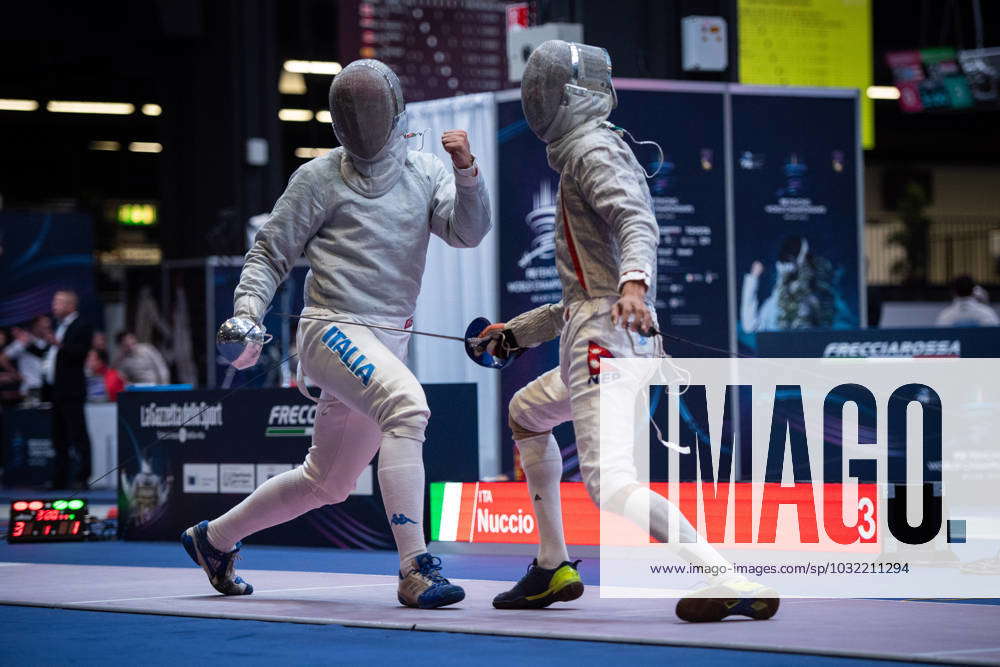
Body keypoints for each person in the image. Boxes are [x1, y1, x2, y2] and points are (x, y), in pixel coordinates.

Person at [477, 40, 778, 622]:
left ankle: (726, 577)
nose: (534, 100)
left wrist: (635, 284)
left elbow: (635, 220)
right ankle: (552, 562)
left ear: (570, 97)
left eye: (543, 90)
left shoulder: (591, 150)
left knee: (609, 484)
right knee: (525, 411)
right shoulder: (584, 152)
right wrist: (514, 334)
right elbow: (582, 297)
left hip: (605, 339)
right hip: (598, 331)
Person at [181, 58, 491, 609]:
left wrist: (466, 170)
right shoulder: (318, 177)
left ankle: (213, 539)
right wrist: (248, 312)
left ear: (395, 112)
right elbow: (269, 253)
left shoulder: (426, 171)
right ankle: (415, 568)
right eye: (355, 112)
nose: (365, 121)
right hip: (330, 333)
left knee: (327, 481)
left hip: (387, 339)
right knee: (407, 407)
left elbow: (467, 233)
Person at [42, 290, 94, 489]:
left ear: (71, 305)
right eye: (54, 302)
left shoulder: (82, 325)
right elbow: (53, 356)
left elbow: (79, 353)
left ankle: (83, 477)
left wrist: (58, 344)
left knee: (78, 435)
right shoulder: (59, 327)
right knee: (58, 437)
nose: (54, 306)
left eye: (58, 302)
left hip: (72, 391)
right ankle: (60, 478)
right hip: (57, 391)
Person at [5, 316, 52, 404]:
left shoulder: (49, 342)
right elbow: (3, 358)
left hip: (49, 388)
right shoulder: (23, 340)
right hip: (31, 388)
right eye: (44, 326)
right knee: (34, 416)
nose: (47, 329)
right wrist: (15, 374)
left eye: (48, 327)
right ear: (35, 326)